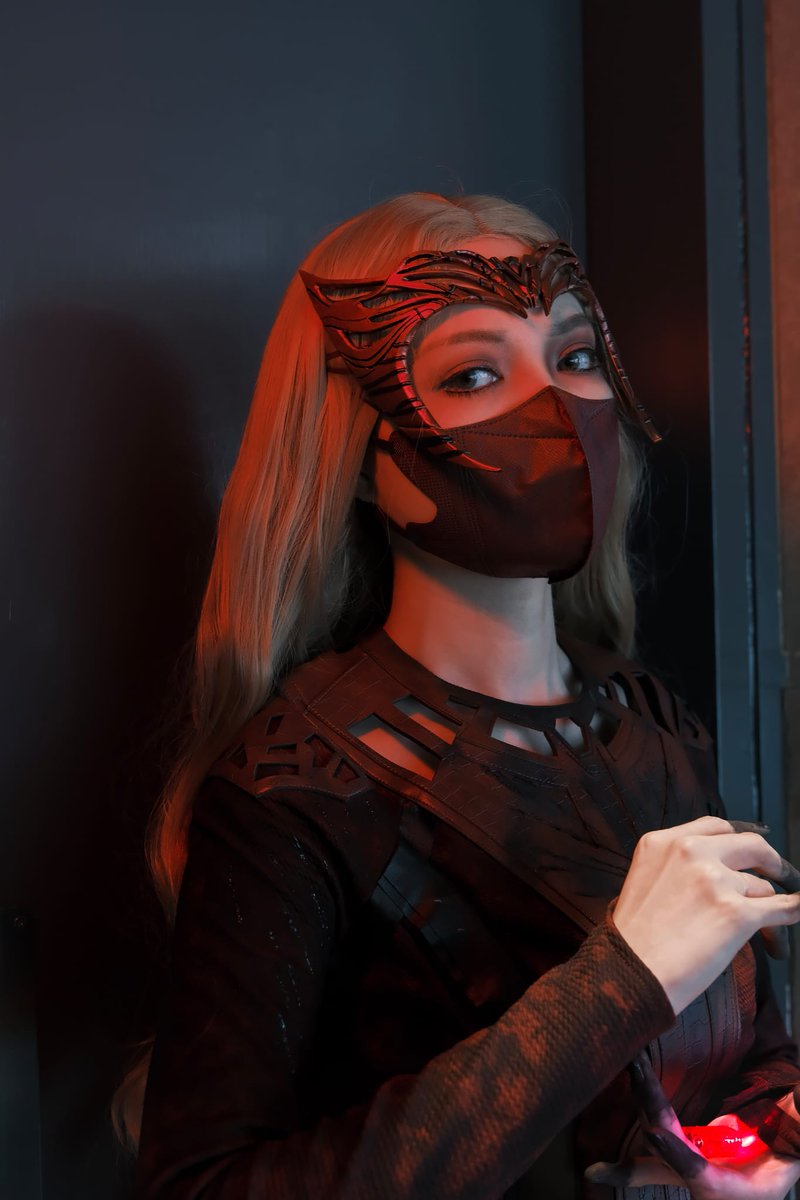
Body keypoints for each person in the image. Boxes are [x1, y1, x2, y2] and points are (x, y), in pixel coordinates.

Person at [118, 192, 800, 1199]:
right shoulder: (300, 791)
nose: (555, 406)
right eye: (474, 373)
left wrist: (768, 1139)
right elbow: (205, 1186)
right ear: (357, 452)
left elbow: (750, 1053)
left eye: (574, 356)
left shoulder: (647, 723)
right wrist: (616, 981)